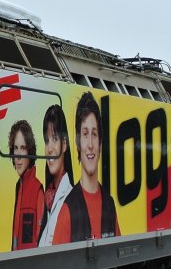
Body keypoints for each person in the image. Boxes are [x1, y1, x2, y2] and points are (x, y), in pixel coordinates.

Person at [50, 92, 120, 243]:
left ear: (100, 143)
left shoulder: (110, 205)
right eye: (85, 134)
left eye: (94, 134)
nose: (90, 145)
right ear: (78, 143)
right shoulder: (67, 210)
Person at [37, 104, 75, 246]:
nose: (50, 149)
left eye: (55, 139)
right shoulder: (47, 197)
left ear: (64, 145)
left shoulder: (71, 197)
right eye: (47, 141)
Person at [9, 120, 44, 250]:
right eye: (15, 148)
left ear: (30, 152)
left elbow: (39, 243)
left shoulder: (37, 190)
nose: (17, 156)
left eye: (23, 148)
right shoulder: (19, 187)